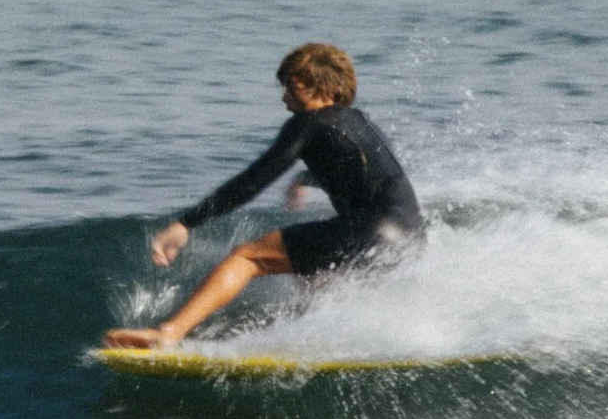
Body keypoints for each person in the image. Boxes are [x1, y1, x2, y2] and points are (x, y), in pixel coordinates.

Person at [104, 42, 423, 349]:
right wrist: (304, 178)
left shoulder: (307, 124)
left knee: (248, 256)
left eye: (290, 87)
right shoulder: (359, 121)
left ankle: (168, 333)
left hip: (367, 231)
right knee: (314, 274)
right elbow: (368, 174)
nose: (285, 98)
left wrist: (186, 223)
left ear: (312, 85)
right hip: (408, 237)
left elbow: (253, 181)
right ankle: (323, 339)